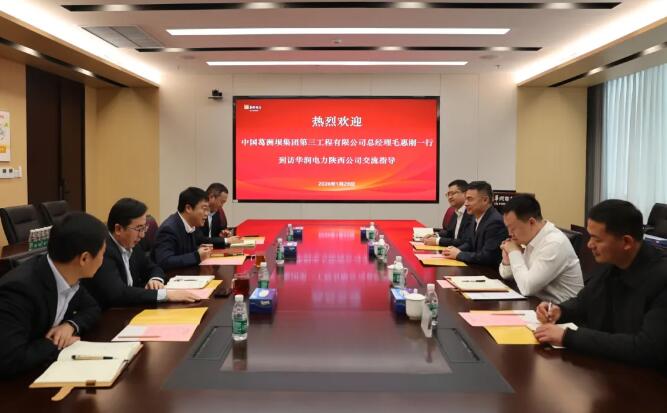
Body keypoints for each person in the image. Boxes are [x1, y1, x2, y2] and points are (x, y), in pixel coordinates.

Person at [534, 200, 667, 372]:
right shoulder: (613, 264)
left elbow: (646, 348)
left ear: (626, 242)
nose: (589, 244)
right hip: (608, 370)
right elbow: (584, 301)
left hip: (647, 381)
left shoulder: (661, 279)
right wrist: (560, 311)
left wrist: (569, 337)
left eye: (597, 239)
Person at [0, 212, 105, 378]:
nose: (103, 260)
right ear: (84, 259)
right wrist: (56, 343)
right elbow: (10, 359)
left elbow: (92, 308)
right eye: (102, 254)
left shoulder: (68, 274)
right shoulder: (19, 290)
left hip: (44, 369)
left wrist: (70, 325)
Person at [82, 198, 200, 309]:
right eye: (139, 229)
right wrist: (165, 295)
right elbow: (118, 293)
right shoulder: (103, 251)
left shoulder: (132, 244)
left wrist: (156, 279)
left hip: (131, 309)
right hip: (108, 315)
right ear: (118, 229)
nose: (142, 235)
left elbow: (152, 267)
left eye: (144, 228)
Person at [499, 194, 583, 303]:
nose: (510, 233)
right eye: (508, 228)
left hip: (562, 310)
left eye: (513, 228)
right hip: (538, 304)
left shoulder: (554, 243)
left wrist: (513, 252)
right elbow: (507, 275)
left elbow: (527, 288)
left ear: (531, 222)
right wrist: (507, 258)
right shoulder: (529, 236)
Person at [442, 181, 508, 266]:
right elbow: (470, 243)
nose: (465, 204)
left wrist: (459, 254)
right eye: (466, 199)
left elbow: (487, 257)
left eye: (470, 199)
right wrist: (455, 250)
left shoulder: (495, 222)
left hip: (489, 271)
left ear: (485, 200)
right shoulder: (475, 217)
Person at [153, 187, 215, 270]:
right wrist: (197, 255)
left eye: (208, 210)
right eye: (204, 209)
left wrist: (198, 249)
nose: (207, 214)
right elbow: (165, 261)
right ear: (188, 208)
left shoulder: (192, 225)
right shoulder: (168, 229)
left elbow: (182, 252)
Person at [424, 179, 472, 247]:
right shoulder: (456, 211)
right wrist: (435, 236)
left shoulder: (471, 213)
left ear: (465, 194)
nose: (450, 197)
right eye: (448, 194)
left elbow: (463, 241)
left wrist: (438, 241)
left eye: (453, 193)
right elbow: (449, 233)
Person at [196, 183, 241, 248]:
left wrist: (222, 235)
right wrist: (226, 240)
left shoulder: (217, 212)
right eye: (221, 202)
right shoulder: (197, 212)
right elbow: (199, 239)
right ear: (211, 197)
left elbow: (216, 235)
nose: (222, 206)